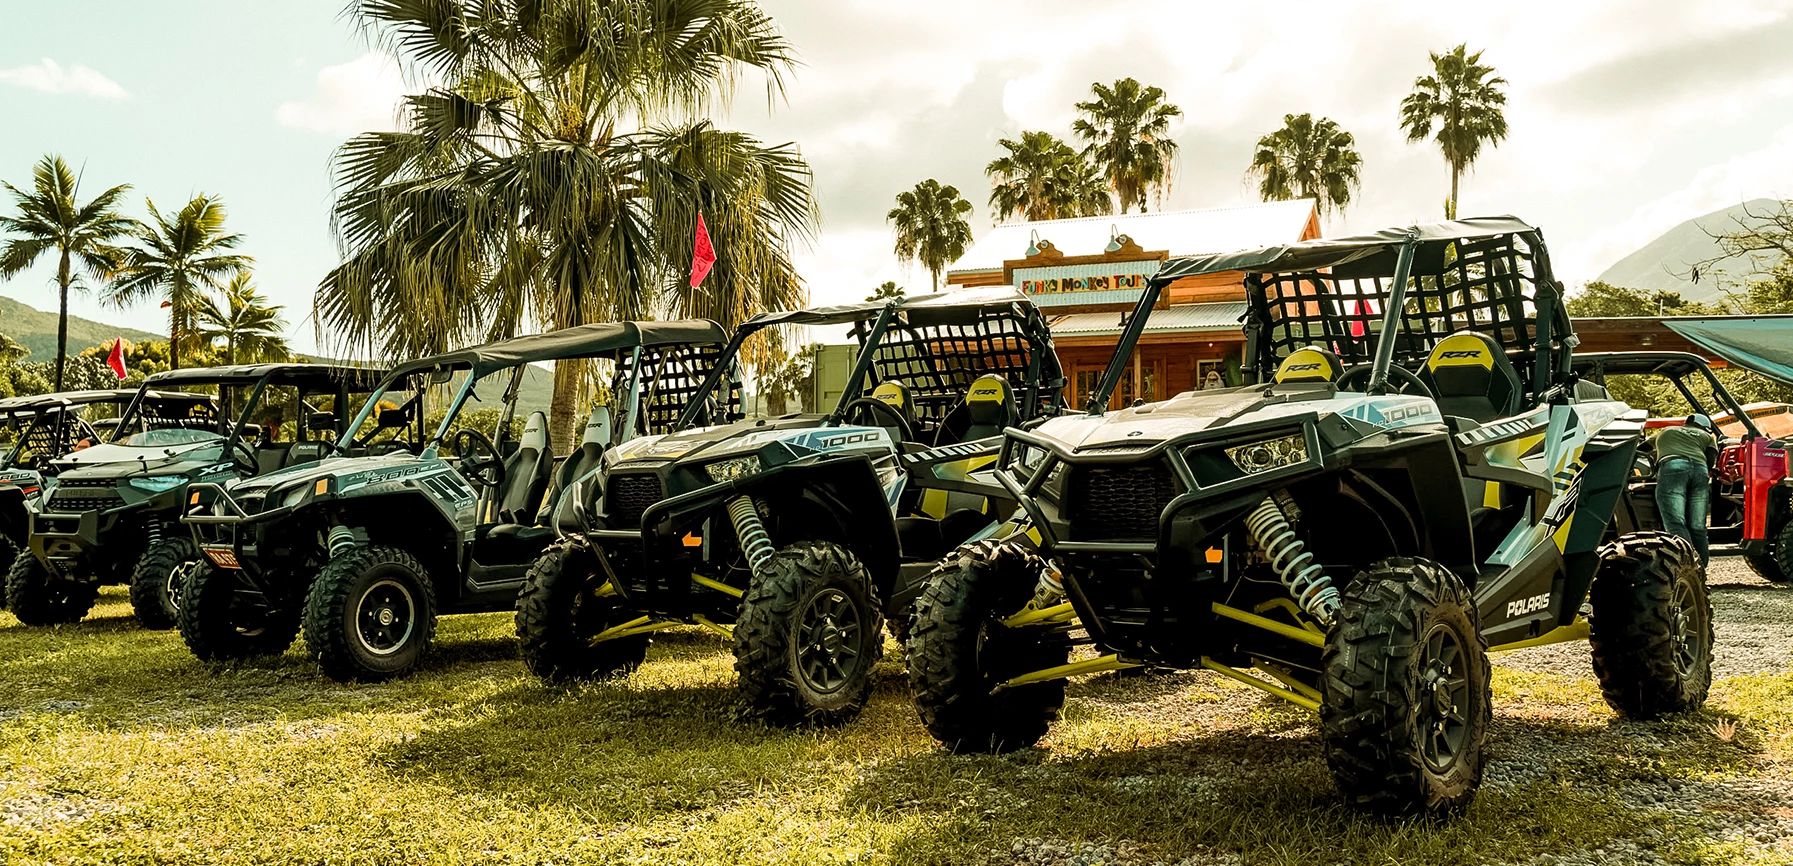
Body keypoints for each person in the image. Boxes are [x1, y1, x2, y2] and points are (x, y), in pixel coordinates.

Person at [1654, 413, 1719, 567]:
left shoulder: (1666, 431)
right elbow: (1710, 460)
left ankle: (1688, 567)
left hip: (1673, 466)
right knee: (1698, 526)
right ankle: (1700, 568)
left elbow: (1643, 447)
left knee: (1676, 523)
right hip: (1700, 470)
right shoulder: (1707, 436)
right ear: (1704, 427)